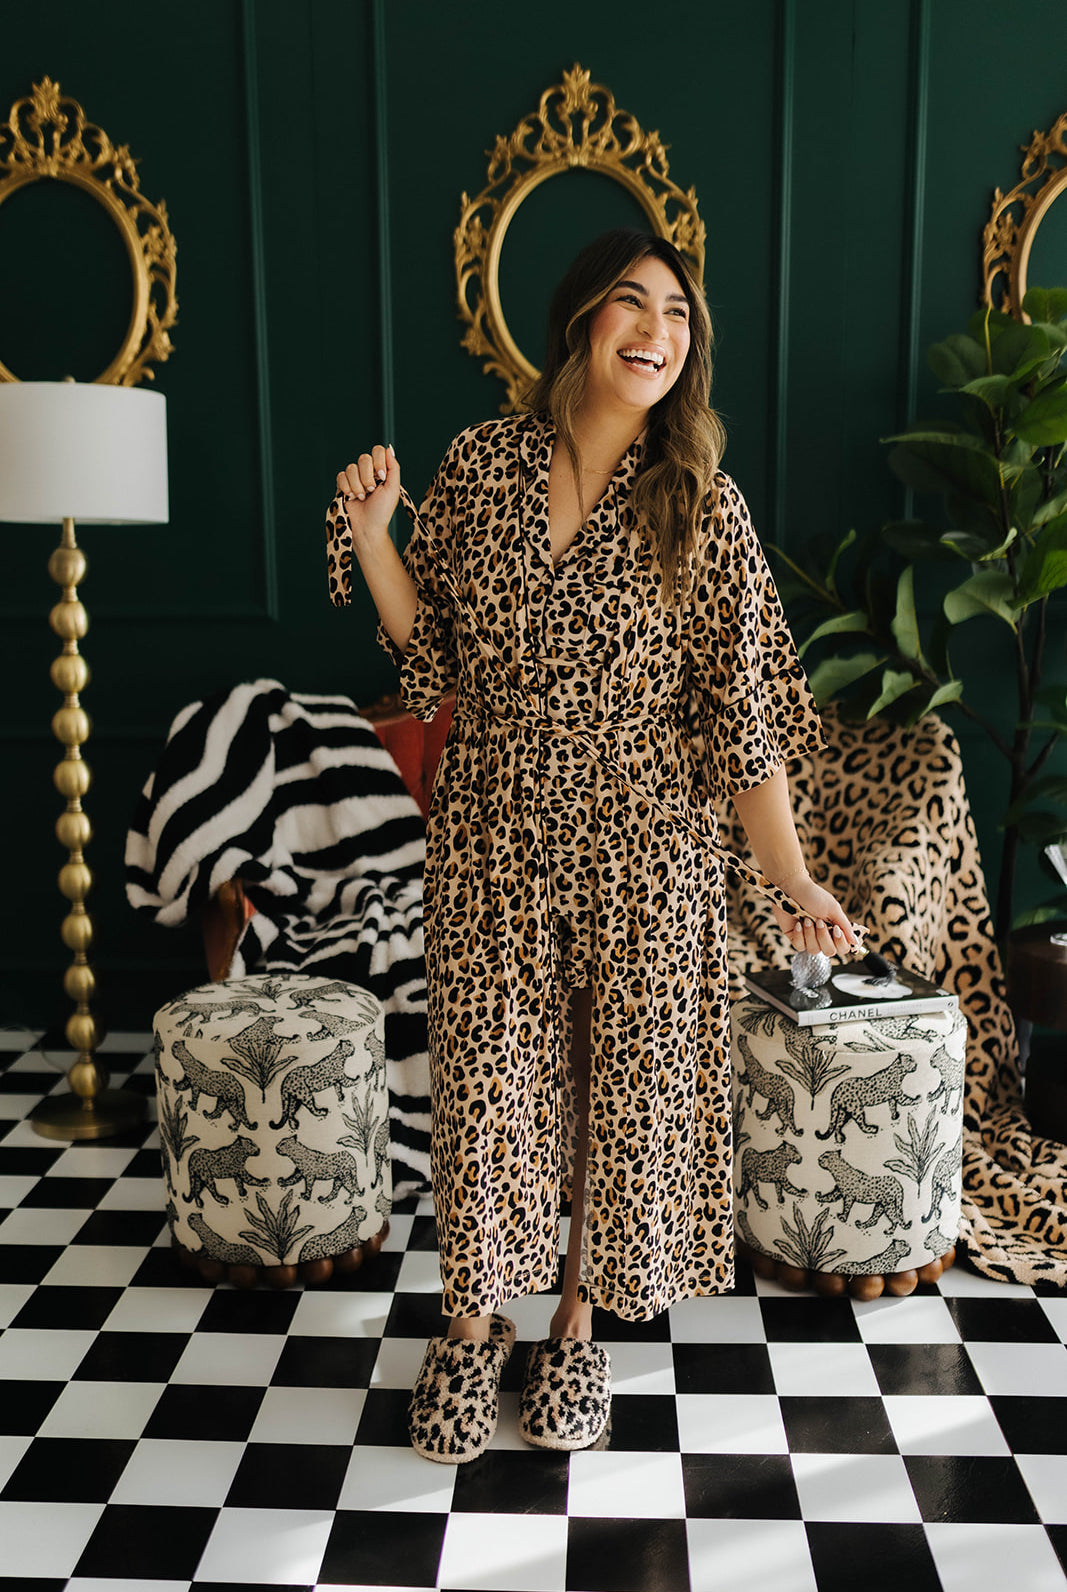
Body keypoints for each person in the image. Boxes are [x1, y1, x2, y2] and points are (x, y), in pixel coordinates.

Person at [332, 228, 862, 1464]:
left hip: (648, 842)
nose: (657, 329)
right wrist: (372, 533)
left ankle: (574, 1319)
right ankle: (472, 1323)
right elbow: (436, 658)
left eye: (679, 312)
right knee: (487, 1090)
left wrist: (788, 876)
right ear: (578, 322)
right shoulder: (480, 464)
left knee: (608, 1096)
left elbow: (742, 719)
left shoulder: (700, 502)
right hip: (493, 829)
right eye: (631, 302)